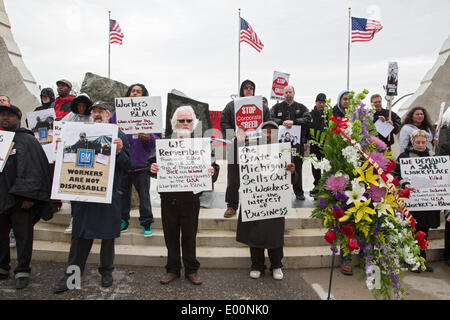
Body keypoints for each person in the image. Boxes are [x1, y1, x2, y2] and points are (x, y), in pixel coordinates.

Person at [53, 101, 130, 294]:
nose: (97, 114)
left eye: (101, 111)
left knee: (108, 237)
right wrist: (60, 147)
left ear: (108, 114)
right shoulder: (77, 132)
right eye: (94, 111)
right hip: (84, 195)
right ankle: (71, 275)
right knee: (79, 237)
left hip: (108, 196)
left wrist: (119, 152)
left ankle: (106, 272)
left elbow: (127, 165)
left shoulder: (119, 135)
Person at [149, 105, 219, 285]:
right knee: (170, 236)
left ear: (194, 123)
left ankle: (191, 270)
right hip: (169, 199)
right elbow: (151, 163)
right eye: (182, 120)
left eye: (189, 120)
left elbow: (215, 168)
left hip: (191, 199)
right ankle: (172, 269)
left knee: (189, 235)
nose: (185, 123)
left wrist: (212, 171)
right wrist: (153, 168)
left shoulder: (201, 144)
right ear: (175, 123)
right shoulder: (164, 142)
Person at [0, 104, 53, 289]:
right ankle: (2, 266)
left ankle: (22, 269)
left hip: (21, 201)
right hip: (1, 198)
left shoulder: (28, 141)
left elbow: (35, 170)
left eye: (9, 115)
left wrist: (29, 196)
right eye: (2, 115)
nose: (4, 118)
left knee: (23, 237)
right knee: (1, 236)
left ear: (18, 118)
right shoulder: (1, 140)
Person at [236, 121, 297, 280]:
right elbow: (239, 167)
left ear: (278, 133)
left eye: (272, 131)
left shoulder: (284, 151)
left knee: (275, 235)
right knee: (255, 234)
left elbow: (292, 180)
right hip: (256, 198)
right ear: (260, 133)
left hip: (275, 201)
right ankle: (257, 265)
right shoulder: (250, 149)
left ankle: (277, 265)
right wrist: (239, 142)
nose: (269, 134)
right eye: (265, 131)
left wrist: (292, 172)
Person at [109, 83, 161, 236]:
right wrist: (116, 132)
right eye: (133, 91)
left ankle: (146, 222)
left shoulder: (151, 114)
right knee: (122, 195)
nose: (135, 93)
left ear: (144, 96)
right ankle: (122, 220)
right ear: (128, 94)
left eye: (139, 91)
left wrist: (148, 137)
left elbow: (157, 140)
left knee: (144, 196)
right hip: (123, 163)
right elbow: (109, 132)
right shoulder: (117, 114)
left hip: (142, 165)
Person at [220, 80, 271, 218]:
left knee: (255, 177)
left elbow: (269, 124)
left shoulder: (262, 107)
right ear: (241, 90)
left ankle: (255, 204)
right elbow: (223, 122)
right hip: (236, 147)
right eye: (246, 87)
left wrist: (263, 138)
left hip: (256, 148)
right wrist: (234, 135)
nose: (248, 90)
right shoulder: (232, 106)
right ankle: (231, 206)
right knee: (233, 179)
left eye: (251, 88)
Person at [394, 130, 440, 272]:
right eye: (417, 142)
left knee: (424, 231)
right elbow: (396, 175)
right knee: (412, 231)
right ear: (412, 142)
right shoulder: (404, 156)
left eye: (423, 142)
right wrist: (404, 183)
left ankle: (422, 260)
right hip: (412, 201)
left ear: (427, 142)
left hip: (427, 201)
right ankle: (411, 260)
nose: (420, 145)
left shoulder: (433, 156)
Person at [270, 85, 311, 200]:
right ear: (283, 94)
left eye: (290, 92)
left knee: (297, 167)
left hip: (297, 145)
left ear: (294, 93)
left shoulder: (301, 107)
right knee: (280, 167)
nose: (288, 94)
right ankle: (279, 191)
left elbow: (308, 119)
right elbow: (269, 118)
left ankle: (299, 192)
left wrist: (295, 122)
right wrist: (282, 122)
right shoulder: (277, 107)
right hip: (280, 145)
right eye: (286, 92)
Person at [308, 93, 328, 198]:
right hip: (314, 145)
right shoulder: (310, 114)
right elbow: (306, 129)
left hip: (326, 145)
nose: (321, 104)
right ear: (316, 103)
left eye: (323, 102)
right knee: (315, 167)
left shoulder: (328, 115)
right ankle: (317, 186)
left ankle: (326, 187)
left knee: (326, 167)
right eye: (319, 102)